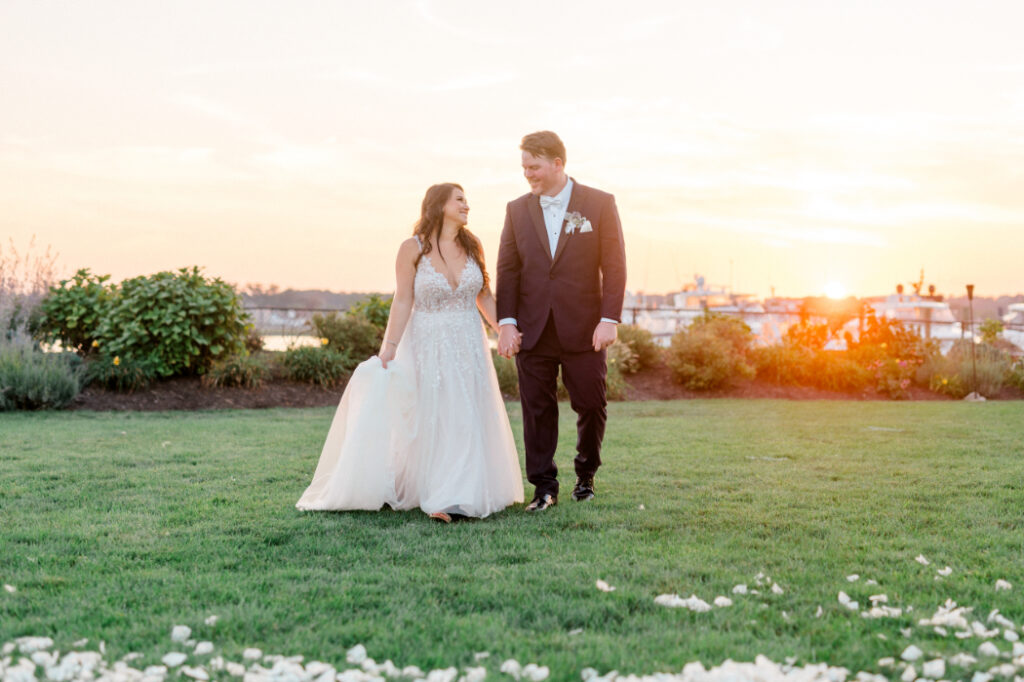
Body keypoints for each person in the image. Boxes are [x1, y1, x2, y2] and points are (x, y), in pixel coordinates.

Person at [296, 183, 524, 521]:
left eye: (466, 201)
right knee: (430, 416)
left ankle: (457, 495)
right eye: (459, 200)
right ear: (439, 204)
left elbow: (484, 295)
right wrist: (388, 349)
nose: (467, 206)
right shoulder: (412, 249)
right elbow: (403, 299)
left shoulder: (472, 245)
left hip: (468, 343)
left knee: (465, 414)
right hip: (425, 343)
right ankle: (429, 488)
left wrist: (504, 327)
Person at [495, 131, 626, 512]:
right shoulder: (517, 210)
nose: (527, 175)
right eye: (523, 168)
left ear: (557, 163)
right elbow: (508, 269)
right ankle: (544, 487)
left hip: (585, 327)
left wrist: (609, 319)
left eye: (533, 167)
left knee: (590, 403)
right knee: (537, 410)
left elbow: (614, 265)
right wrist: (506, 322)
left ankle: (586, 476)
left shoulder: (599, 204)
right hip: (532, 329)